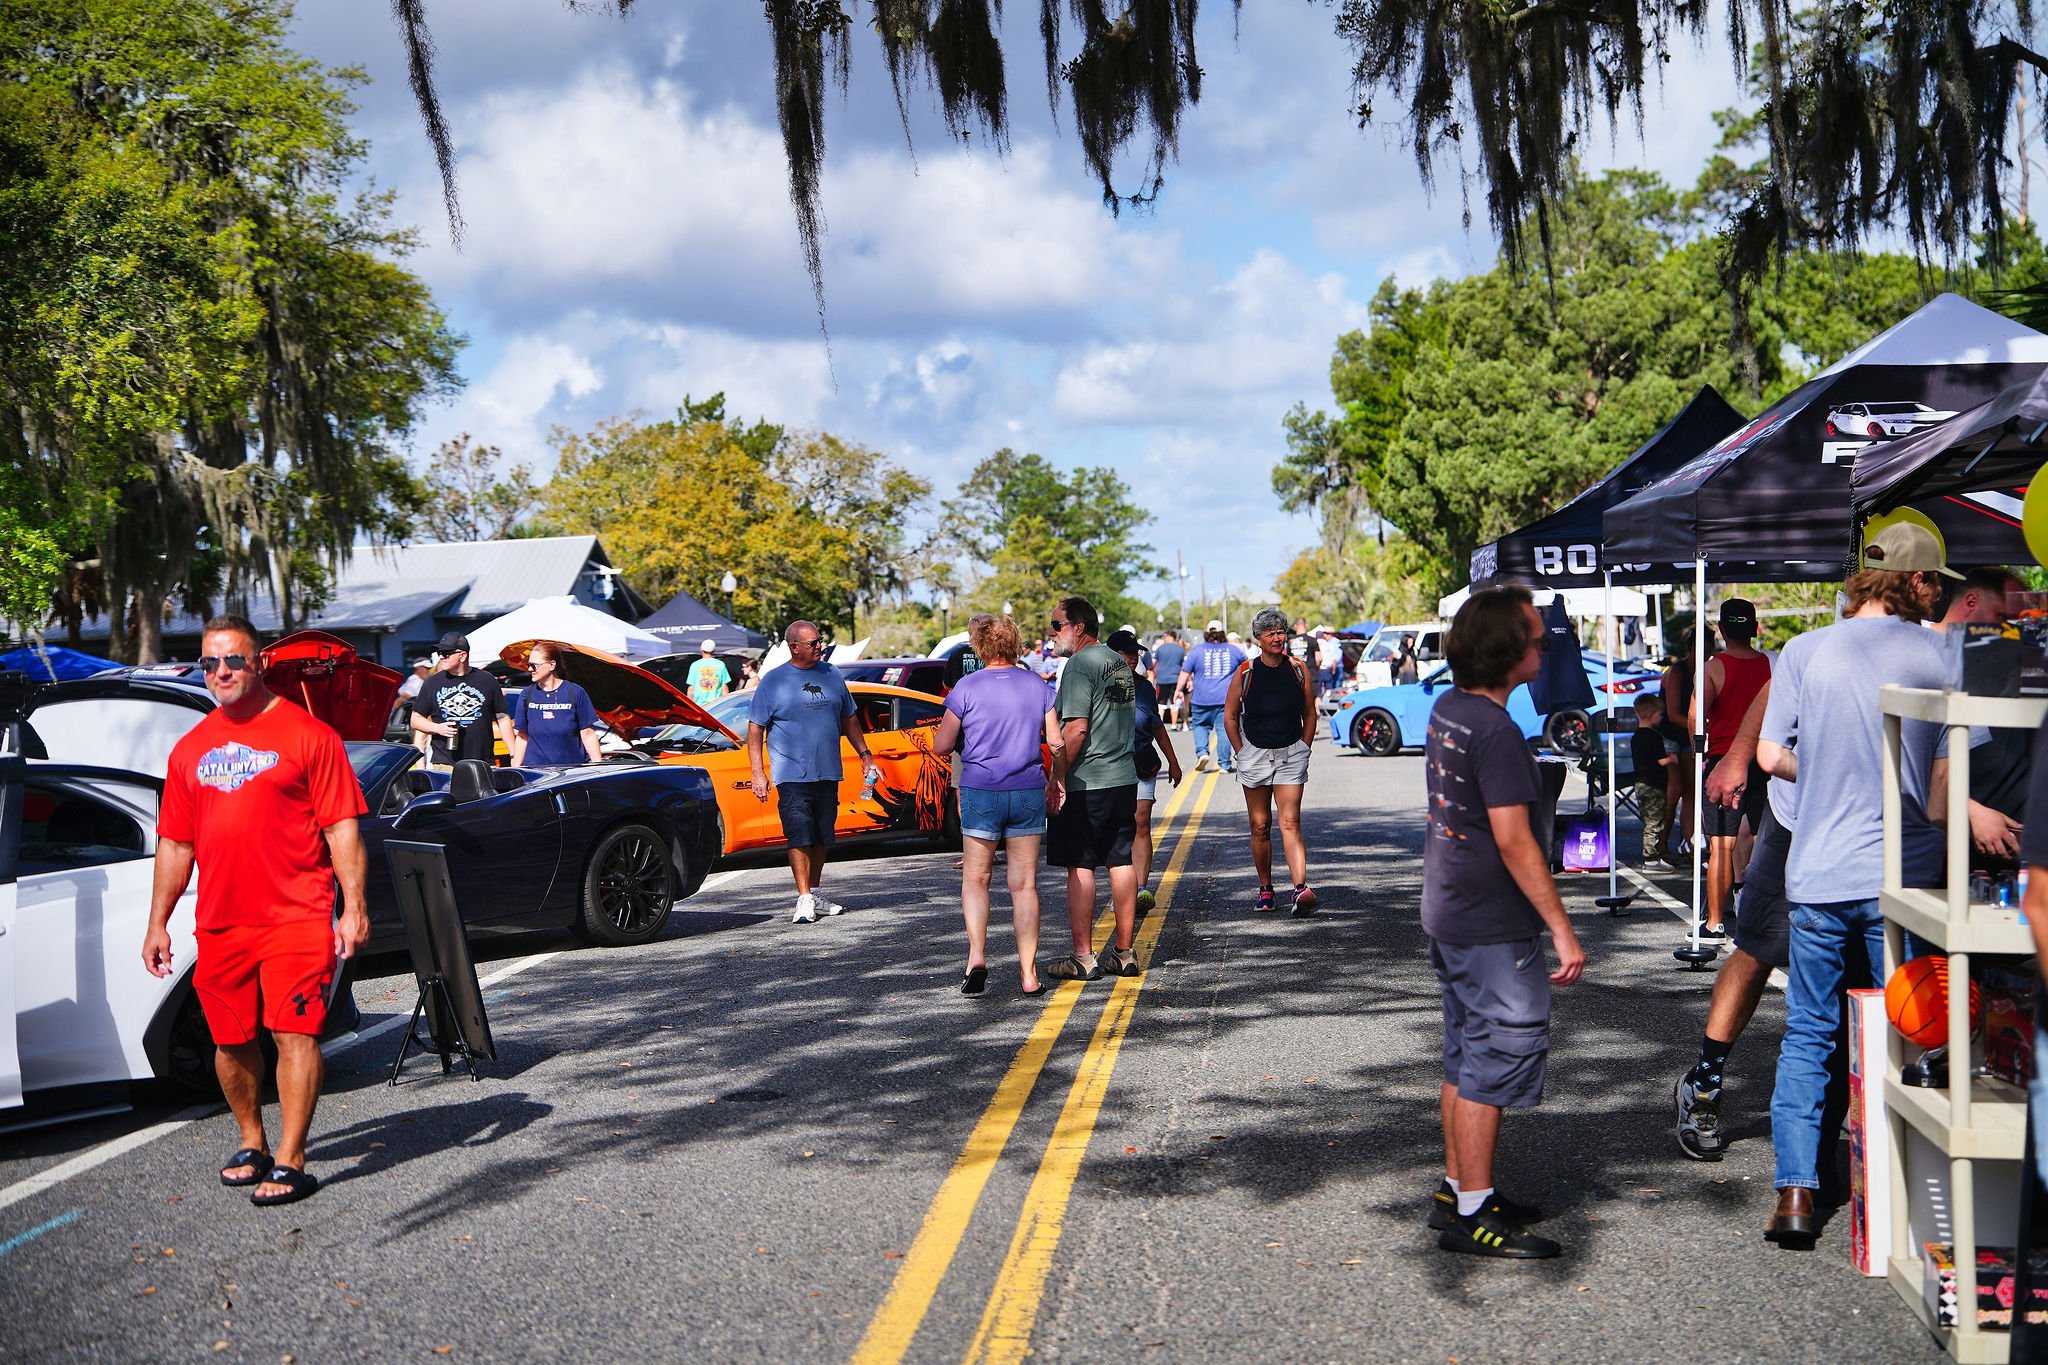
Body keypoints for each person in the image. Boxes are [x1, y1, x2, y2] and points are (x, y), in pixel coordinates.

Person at [1755, 522, 1957, 1246]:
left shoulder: (1804, 650)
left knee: (1809, 1033)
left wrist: (1833, 773)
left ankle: (1797, 1195)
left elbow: (1770, 753)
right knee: (1909, 1032)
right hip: (1901, 878)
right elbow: (1944, 786)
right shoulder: (1938, 653)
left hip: (1816, 873)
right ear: (1920, 582)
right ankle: (1903, 1194)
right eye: (1938, 582)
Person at [142, 614, 369, 1208]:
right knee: (231, 1038)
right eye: (211, 662)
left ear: (260, 662)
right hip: (221, 921)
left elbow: (342, 827)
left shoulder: (308, 736)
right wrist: (157, 922)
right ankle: (252, 1140)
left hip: (297, 914)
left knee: (293, 1033)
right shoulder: (191, 749)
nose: (221, 672)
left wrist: (354, 908)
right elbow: (176, 843)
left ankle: (293, 1157)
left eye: (234, 660)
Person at [1422, 586, 1584, 1258]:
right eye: (1536, 638)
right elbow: (1517, 842)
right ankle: (1475, 1213)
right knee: (1494, 1057)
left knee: (1464, 1050)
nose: (1543, 648)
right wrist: (1562, 926)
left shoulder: (1449, 708)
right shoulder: (1496, 732)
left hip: (1451, 909)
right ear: (1509, 650)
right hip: (1489, 922)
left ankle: (1460, 1189)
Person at [1674, 681, 1801, 1163]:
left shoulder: (1940, 647)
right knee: (1759, 951)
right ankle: (1704, 1084)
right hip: (1797, 822)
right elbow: (1770, 690)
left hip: (1887, 829)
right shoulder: (1815, 647)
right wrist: (1736, 758)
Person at [934, 615, 1047, 995]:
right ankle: (1029, 974)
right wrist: (1059, 778)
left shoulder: (967, 686)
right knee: (1024, 885)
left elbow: (942, 745)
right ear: (1016, 644)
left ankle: (977, 956)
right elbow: (1058, 741)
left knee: (976, 879)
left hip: (982, 790)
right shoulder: (1037, 684)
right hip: (1029, 788)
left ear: (980, 647)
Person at [749, 621, 879, 924]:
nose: (820, 647)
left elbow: (850, 719)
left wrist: (865, 755)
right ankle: (804, 897)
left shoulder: (832, 674)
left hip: (828, 770)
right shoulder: (774, 681)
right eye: (813, 643)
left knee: (822, 836)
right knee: (799, 834)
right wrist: (758, 772)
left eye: (820, 641)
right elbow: (755, 728)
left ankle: (815, 892)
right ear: (794, 646)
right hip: (792, 773)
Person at [1042, 596, 1143, 982]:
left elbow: (1076, 728)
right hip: (1123, 776)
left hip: (1088, 780)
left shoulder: (1080, 665)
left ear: (1078, 627)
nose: (1052, 633)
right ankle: (1124, 952)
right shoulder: (1117, 662)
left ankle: (1083, 957)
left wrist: (1057, 776)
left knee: (1081, 864)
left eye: (1057, 625)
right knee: (1120, 861)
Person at [1223, 606, 1319, 915]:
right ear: (1258, 639)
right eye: (1271, 634)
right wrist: (1242, 751)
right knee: (1260, 825)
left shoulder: (1297, 669)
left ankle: (1300, 888)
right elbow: (1230, 716)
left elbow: (1309, 711)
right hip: (1255, 754)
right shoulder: (1246, 672)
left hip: (1291, 753)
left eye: (1281, 632)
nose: (1278, 638)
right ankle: (1265, 889)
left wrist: (1305, 746)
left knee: (1290, 821)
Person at [1697, 599, 1772, 940]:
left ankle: (1714, 922)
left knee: (1722, 846)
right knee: (1764, 840)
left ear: (1722, 629)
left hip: (1725, 761)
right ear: (1755, 628)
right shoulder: (1771, 666)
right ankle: (1765, 915)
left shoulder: (1713, 667)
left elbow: (1695, 717)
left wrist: (1702, 753)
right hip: (1763, 759)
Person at [1107, 630, 1184, 916]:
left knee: (1140, 824)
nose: (1133, 657)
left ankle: (1139, 889)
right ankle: (1120, 888)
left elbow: (1156, 726)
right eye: (1126, 652)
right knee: (1117, 829)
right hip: (1109, 767)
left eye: (1135, 652)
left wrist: (1174, 762)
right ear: (1111, 654)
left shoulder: (1145, 687)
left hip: (1141, 764)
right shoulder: (1098, 685)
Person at [411, 632, 513, 769]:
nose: (441, 656)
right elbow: (415, 719)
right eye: (439, 652)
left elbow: (502, 718)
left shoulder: (487, 680)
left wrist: (513, 754)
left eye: (446, 653)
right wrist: (437, 728)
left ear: (462, 655)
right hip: (446, 764)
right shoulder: (432, 682)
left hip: (483, 763)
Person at [511, 642, 601, 765]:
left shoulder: (575, 692)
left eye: (534, 665)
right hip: (536, 772)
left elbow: (588, 734)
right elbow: (522, 737)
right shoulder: (527, 694)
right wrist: (516, 768)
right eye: (529, 665)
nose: (530, 669)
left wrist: (598, 767)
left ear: (552, 665)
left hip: (572, 771)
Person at [1182, 620, 1247, 774]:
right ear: (1222, 633)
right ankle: (1224, 764)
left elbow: (1185, 672)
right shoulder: (1233, 650)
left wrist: (1179, 689)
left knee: (1200, 726)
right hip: (1226, 698)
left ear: (1206, 633)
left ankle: (1202, 753)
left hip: (1201, 698)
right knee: (1224, 729)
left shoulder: (1197, 651)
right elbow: (1247, 667)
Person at [1629, 693, 1675, 864]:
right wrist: (1673, 758)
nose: (1661, 718)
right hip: (1654, 784)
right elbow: (1661, 761)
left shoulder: (1636, 737)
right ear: (1650, 715)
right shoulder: (1653, 736)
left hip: (1641, 783)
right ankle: (1651, 856)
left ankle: (1652, 853)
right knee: (1655, 822)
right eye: (1660, 714)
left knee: (1648, 819)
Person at [1152, 629, 1186, 725]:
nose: (1164, 639)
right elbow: (1185, 665)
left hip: (1162, 679)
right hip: (1176, 679)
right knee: (1174, 702)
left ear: (1170, 637)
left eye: (1165, 637)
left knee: (1161, 702)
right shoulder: (1180, 650)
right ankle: (1174, 725)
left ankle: (1160, 724)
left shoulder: (1160, 649)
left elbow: (1152, 663)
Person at [686, 639, 732, 706]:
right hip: (716, 704)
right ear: (714, 650)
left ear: (701, 649)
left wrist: (690, 705)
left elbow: (691, 689)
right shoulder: (720, 664)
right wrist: (726, 705)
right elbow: (724, 687)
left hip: (700, 705)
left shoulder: (695, 665)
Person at [1316, 628, 1344, 693]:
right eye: (1324, 633)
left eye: (1326, 633)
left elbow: (1337, 657)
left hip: (1336, 667)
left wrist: (1333, 668)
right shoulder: (1327, 643)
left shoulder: (1335, 642)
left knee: (1336, 685)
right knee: (1330, 687)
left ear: (1330, 634)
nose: (1325, 635)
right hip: (1330, 668)